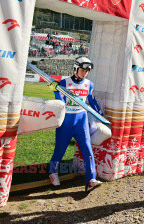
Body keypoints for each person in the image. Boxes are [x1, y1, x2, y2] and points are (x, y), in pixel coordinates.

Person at [48, 57, 103, 192]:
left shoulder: (89, 84)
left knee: (87, 149)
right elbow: (60, 102)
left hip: (81, 120)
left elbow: (92, 101)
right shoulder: (64, 83)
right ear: (76, 68)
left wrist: (100, 114)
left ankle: (91, 179)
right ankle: (52, 172)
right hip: (66, 120)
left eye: (87, 70)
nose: (85, 73)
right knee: (60, 150)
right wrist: (56, 91)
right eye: (83, 69)